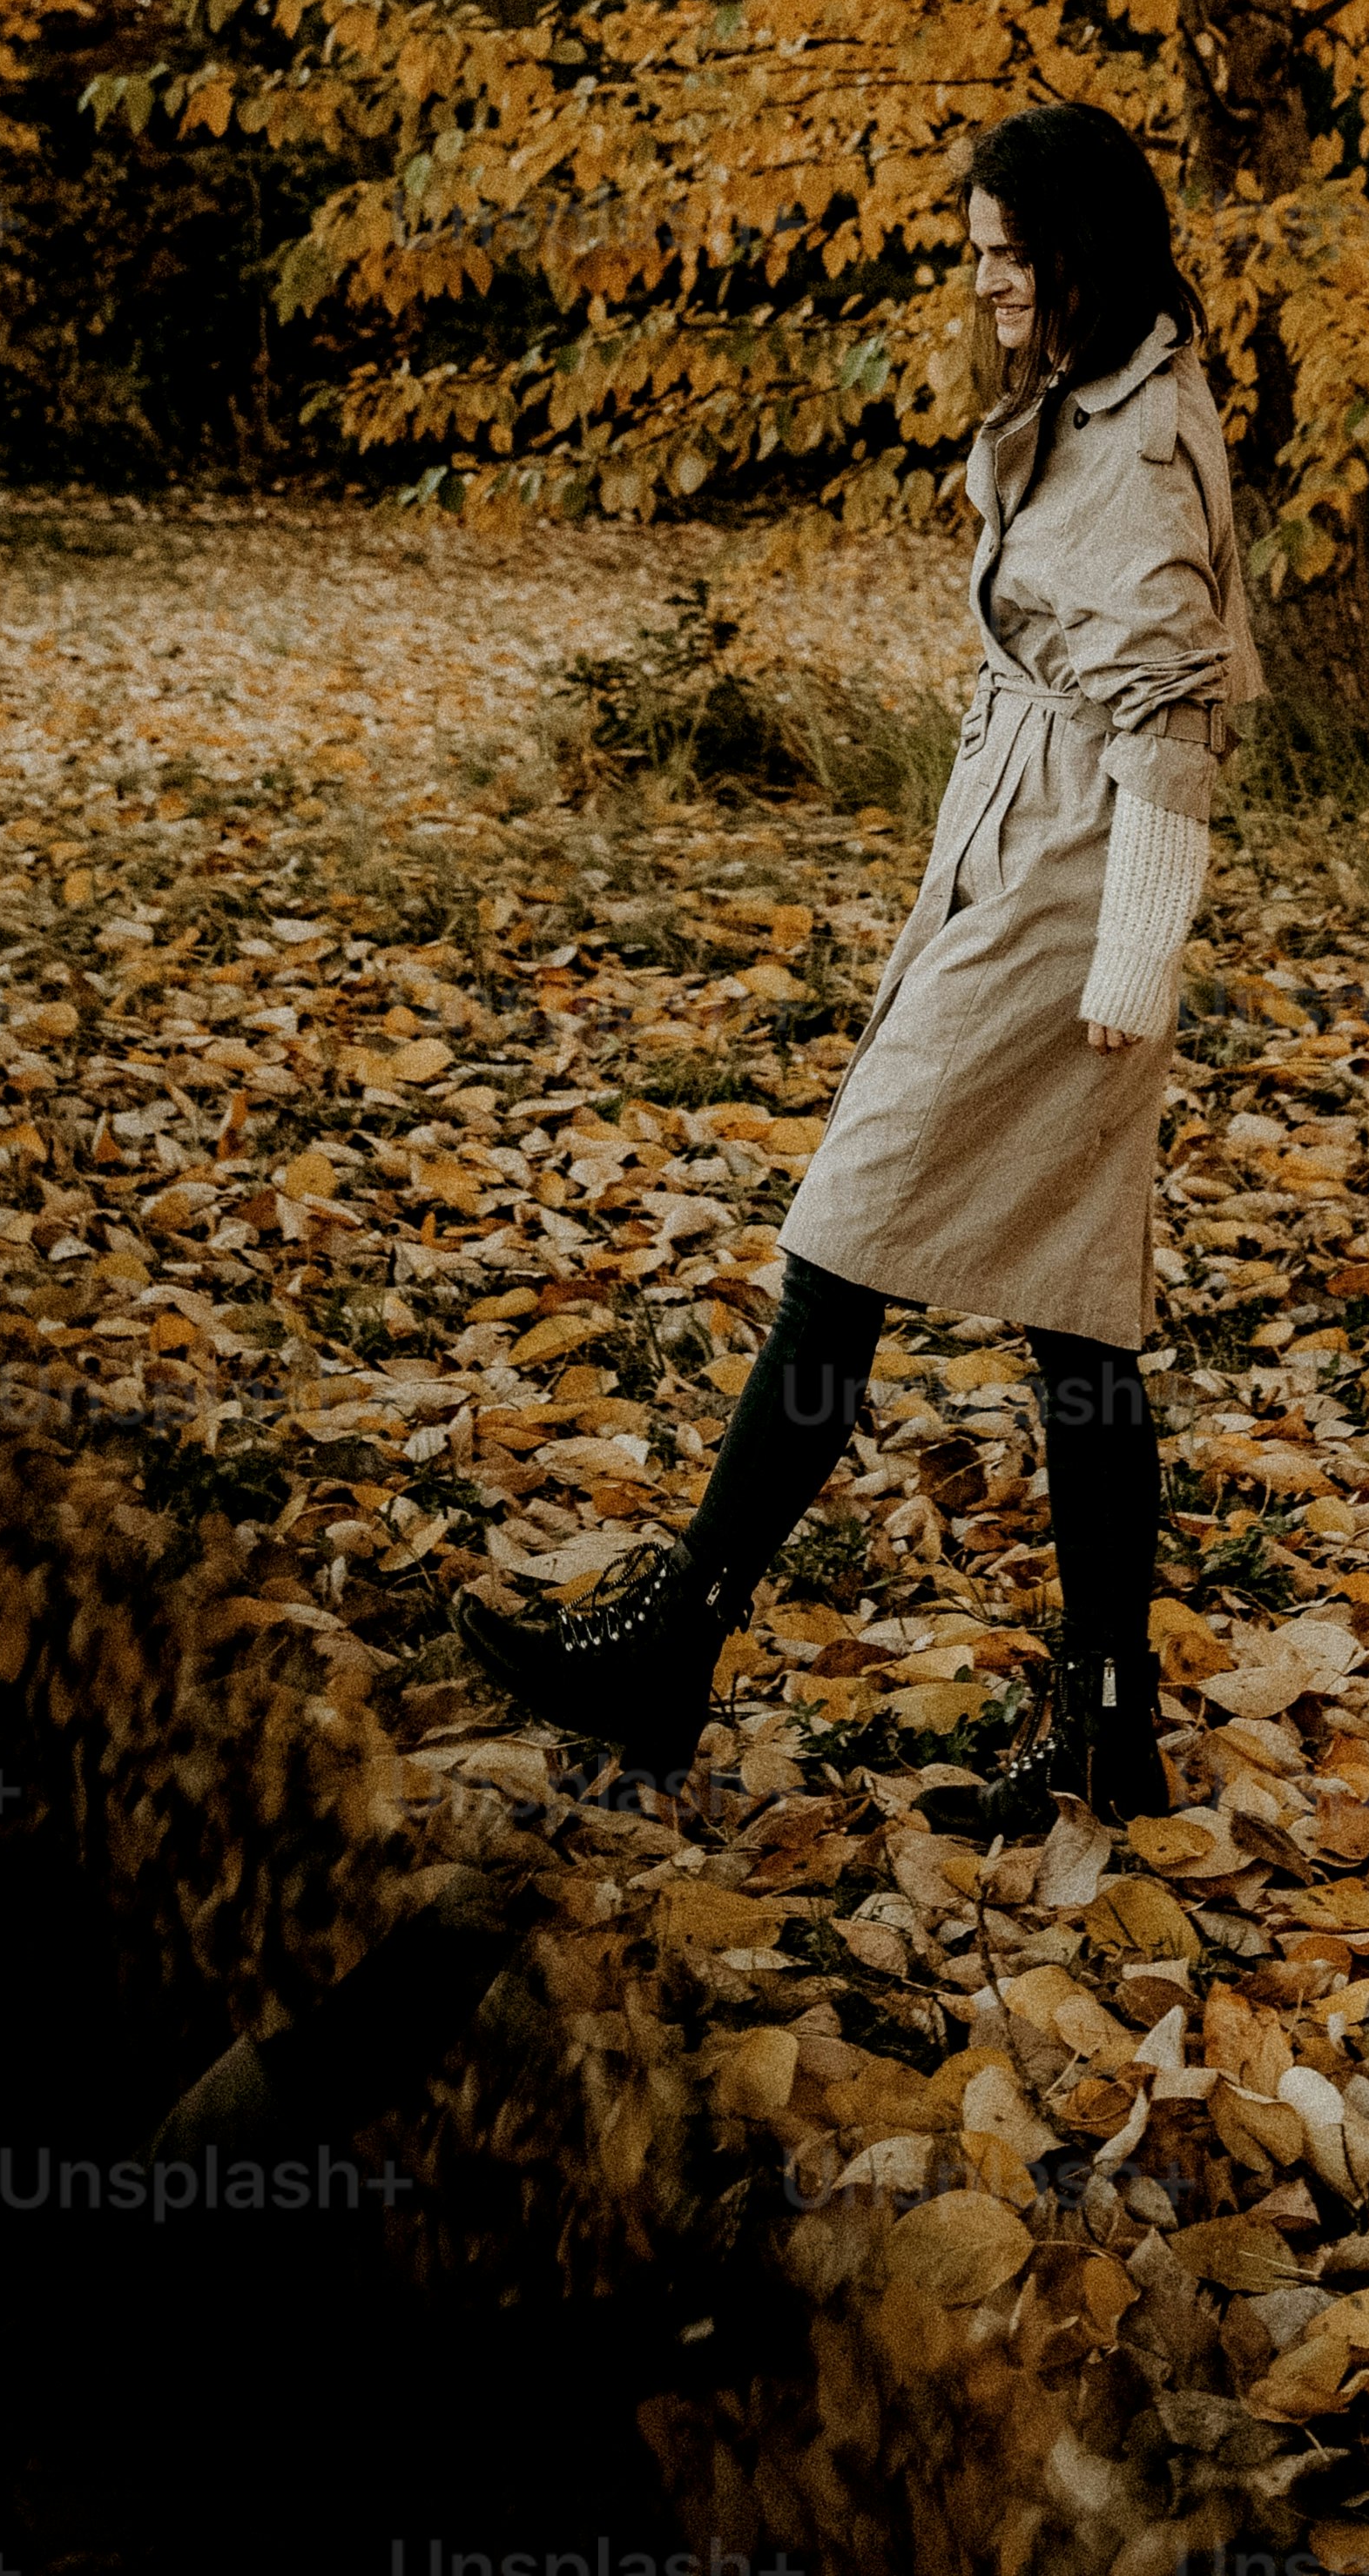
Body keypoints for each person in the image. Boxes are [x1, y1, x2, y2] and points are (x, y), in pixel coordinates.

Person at [459, 97, 1264, 1833]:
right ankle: (1108, 1726)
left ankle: (673, 1639)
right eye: (971, 250)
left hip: (1069, 896)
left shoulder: (1137, 442)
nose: (980, 281)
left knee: (838, 1238)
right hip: (1016, 849)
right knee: (1073, 1315)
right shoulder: (1089, 396)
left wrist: (1131, 963)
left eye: (1004, 254)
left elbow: (1171, 720)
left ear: (1078, 256)